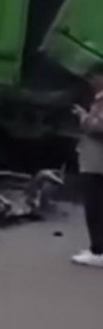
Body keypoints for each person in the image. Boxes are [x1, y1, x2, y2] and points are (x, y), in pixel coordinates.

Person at [71, 66, 103, 268]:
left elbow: (99, 126)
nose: (90, 81)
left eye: (94, 76)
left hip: (97, 164)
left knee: (95, 208)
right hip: (96, 163)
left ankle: (98, 251)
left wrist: (83, 117)